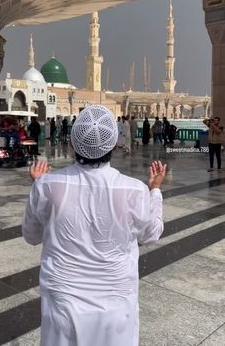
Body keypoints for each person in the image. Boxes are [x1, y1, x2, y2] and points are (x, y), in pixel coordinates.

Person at [22, 105, 166, 346]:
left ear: (73, 144)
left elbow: (31, 235)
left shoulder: (46, 186)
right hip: (116, 304)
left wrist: (41, 186)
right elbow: (151, 234)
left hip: (63, 302)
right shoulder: (134, 190)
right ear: (112, 145)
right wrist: (155, 191)